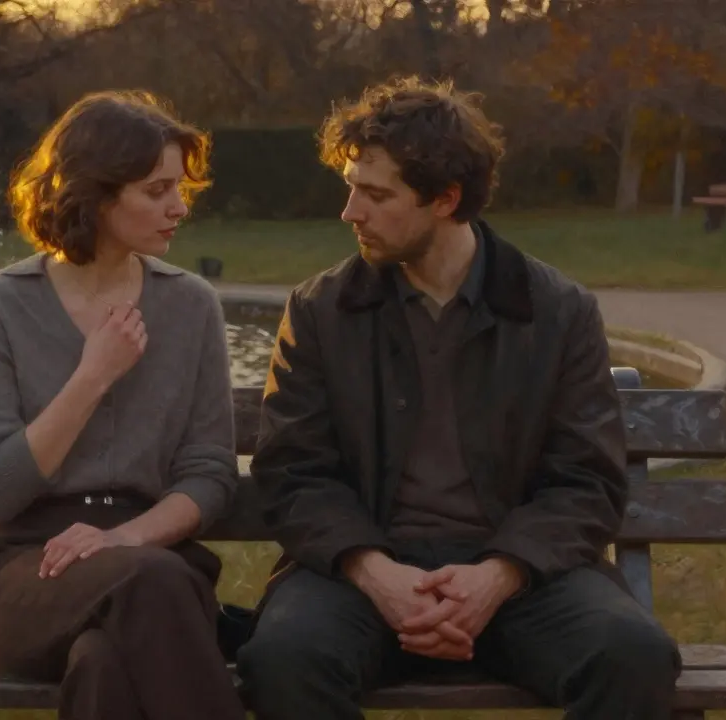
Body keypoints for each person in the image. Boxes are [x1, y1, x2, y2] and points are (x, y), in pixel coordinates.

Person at [236, 76, 681, 719]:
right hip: (362, 573)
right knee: (283, 657)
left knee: (631, 653)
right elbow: (292, 472)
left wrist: (499, 574)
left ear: (445, 199)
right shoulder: (322, 309)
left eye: (376, 194)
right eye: (351, 188)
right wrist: (375, 572)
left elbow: (587, 482)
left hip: (521, 574)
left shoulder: (556, 311)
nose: (350, 212)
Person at [0, 90, 246, 720]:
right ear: (96, 193)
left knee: (104, 664)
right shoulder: (0, 305)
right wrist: (93, 375)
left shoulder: (190, 306)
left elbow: (211, 474)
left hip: (153, 557)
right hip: (24, 571)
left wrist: (125, 538)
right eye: (156, 190)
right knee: (154, 585)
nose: (178, 206)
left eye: (179, 187)